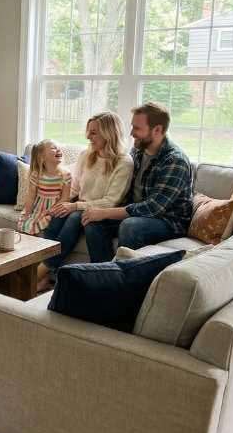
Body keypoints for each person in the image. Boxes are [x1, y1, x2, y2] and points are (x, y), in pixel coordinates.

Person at [80, 101, 193, 264]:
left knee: (130, 225)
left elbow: (152, 207)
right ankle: (104, 276)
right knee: (94, 223)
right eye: (132, 126)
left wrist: (104, 211)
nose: (131, 133)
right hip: (138, 215)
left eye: (137, 128)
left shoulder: (175, 161)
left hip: (169, 222)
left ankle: (122, 277)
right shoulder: (138, 152)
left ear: (157, 130)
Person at [38, 112, 134, 285]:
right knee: (58, 214)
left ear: (109, 133)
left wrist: (74, 207)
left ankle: (41, 269)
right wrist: (60, 204)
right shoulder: (86, 154)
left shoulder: (124, 162)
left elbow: (110, 201)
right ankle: (44, 277)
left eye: (93, 132)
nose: (88, 136)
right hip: (82, 208)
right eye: (88, 131)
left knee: (75, 215)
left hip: (107, 216)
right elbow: (75, 188)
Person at [17, 139, 72, 291]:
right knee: (28, 235)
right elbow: (30, 197)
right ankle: (34, 274)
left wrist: (51, 210)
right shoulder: (36, 174)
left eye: (59, 147)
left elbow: (65, 198)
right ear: (42, 157)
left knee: (42, 238)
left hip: (54, 210)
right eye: (54, 148)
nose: (58, 149)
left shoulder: (65, 174)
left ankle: (41, 278)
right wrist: (26, 214)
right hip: (37, 209)